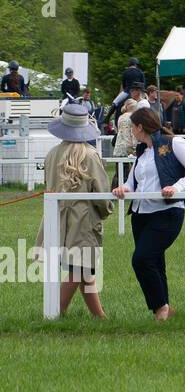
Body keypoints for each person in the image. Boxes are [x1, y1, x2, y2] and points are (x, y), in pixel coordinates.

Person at [111, 106, 185, 320]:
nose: (131, 131)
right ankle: (163, 310)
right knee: (154, 262)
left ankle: (160, 307)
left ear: (140, 127)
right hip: (141, 214)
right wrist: (124, 188)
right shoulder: (142, 150)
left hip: (167, 212)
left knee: (141, 260)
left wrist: (177, 187)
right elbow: (134, 181)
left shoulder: (174, 143)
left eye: (132, 127)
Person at [37, 101, 111, 317]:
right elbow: (101, 191)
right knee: (80, 269)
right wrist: (106, 210)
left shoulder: (52, 154)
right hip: (83, 220)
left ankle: (99, 316)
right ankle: (55, 312)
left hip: (55, 218)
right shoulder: (90, 154)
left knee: (84, 269)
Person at [107, 57, 148, 126]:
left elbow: (123, 84)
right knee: (147, 102)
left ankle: (107, 118)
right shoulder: (140, 72)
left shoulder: (125, 72)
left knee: (115, 102)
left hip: (127, 91)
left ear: (129, 64)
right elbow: (143, 83)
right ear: (136, 64)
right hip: (139, 91)